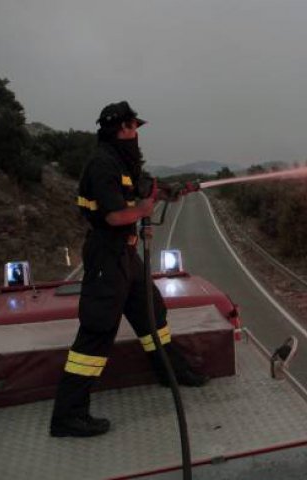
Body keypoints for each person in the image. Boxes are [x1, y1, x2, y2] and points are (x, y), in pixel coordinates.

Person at [50, 101, 208, 438]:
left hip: (125, 254)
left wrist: (172, 191)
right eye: (133, 127)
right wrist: (145, 209)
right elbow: (115, 216)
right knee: (98, 329)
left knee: (152, 313)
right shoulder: (102, 165)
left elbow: (141, 186)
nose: (136, 134)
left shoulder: (121, 160)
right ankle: (68, 415)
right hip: (107, 255)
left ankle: (170, 371)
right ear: (121, 128)